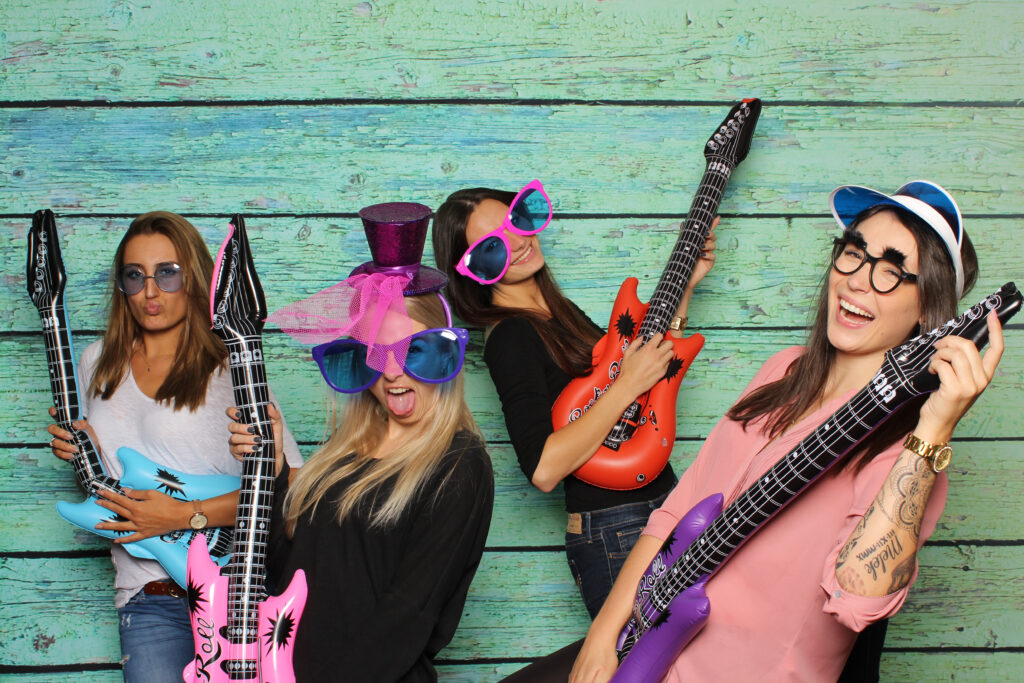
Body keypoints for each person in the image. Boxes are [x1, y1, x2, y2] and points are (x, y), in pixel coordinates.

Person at [555, 180, 1004, 682]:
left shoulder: (907, 452)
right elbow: (678, 511)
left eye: (891, 271)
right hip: (647, 652)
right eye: (853, 254)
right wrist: (602, 637)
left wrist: (935, 429)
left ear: (928, 309)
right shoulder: (783, 370)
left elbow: (858, 602)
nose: (857, 280)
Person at [231, 202, 494, 682]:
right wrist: (267, 473)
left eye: (412, 349)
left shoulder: (460, 464)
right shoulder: (344, 453)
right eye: (376, 351)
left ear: (442, 350)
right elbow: (283, 579)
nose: (392, 372)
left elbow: (407, 617)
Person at [431, 180, 717, 619]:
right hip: (616, 527)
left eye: (516, 221)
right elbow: (543, 469)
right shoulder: (510, 336)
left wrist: (687, 288)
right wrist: (625, 387)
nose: (518, 242)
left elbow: (647, 378)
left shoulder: (556, 312)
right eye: (492, 245)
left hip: (657, 506)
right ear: (473, 270)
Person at [45, 211, 303, 682]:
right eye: (134, 275)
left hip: (235, 595)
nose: (150, 291)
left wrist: (186, 515)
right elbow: (109, 474)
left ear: (194, 276)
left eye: (167, 273)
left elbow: (290, 491)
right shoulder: (95, 363)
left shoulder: (230, 365)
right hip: (147, 599)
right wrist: (78, 448)